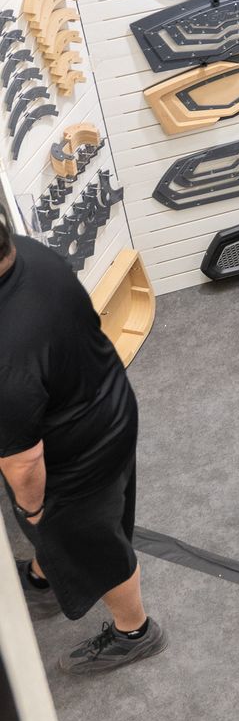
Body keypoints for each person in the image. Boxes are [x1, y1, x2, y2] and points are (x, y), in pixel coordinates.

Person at [0, 218, 165, 673]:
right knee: (67, 536)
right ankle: (42, 581)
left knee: (95, 545)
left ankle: (134, 632)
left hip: (76, 461)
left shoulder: (6, 360)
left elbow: (25, 463)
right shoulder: (32, 254)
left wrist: (33, 512)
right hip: (109, 405)